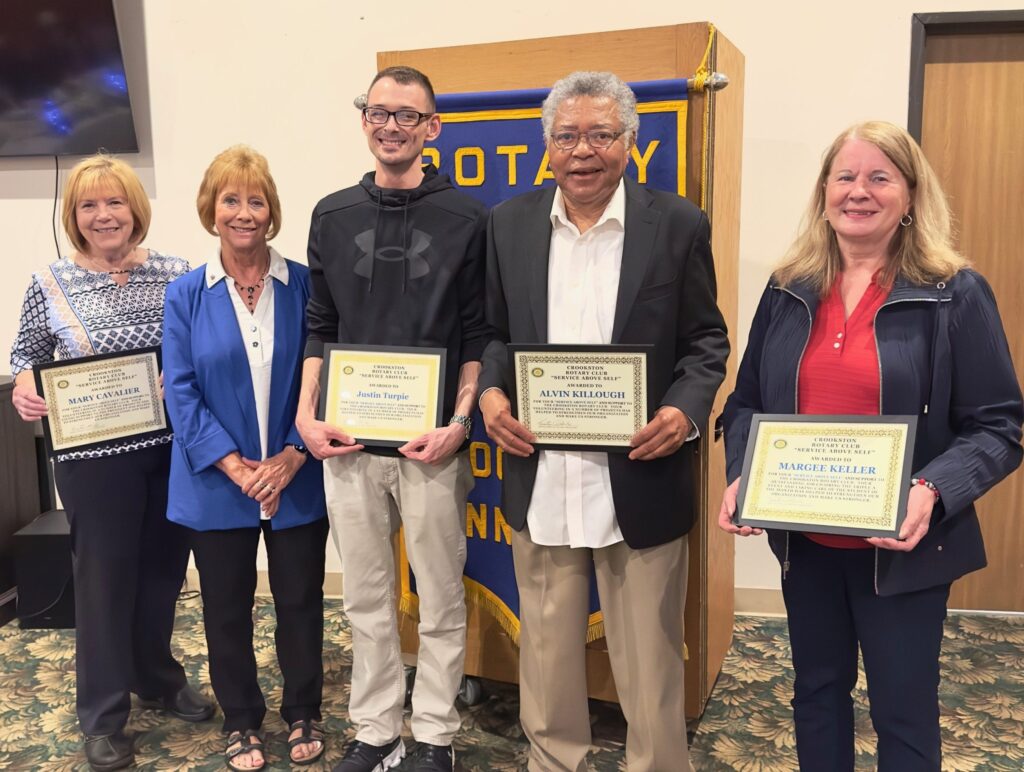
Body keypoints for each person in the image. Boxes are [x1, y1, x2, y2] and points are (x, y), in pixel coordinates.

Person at [718, 121, 1023, 771]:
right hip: (807, 543)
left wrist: (931, 489)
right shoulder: (787, 287)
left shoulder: (954, 292)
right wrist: (745, 471)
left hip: (904, 549)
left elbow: (1000, 424)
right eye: (845, 176)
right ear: (824, 191)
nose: (859, 191)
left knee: (903, 710)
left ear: (911, 196)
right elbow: (746, 403)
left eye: (880, 177)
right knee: (817, 693)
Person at [478, 71, 730, 772]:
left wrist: (682, 412)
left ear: (630, 142)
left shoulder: (676, 224)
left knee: (649, 658)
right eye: (566, 136)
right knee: (548, 647)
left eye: (600, 134)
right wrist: (493, 398)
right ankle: (552, 760)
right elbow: (493, 334)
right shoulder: (510, 224)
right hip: (543, 469)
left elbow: (706, 342)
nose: (582, 151)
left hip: (641, 473)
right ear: (547, 147)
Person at [295, 65, 489, 772]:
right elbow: (321, 322)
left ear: (432, 128)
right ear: (365, 120)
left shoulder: (468, 218)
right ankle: (377, 729)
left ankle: (434, 734)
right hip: (346, 442)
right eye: (379, 113)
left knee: (439, 595)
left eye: (408, 115)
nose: (391, 126)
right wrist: (305, 414)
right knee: (367, 599)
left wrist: (460, 422)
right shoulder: (332, 214)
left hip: (429, 443)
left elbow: (477, 333)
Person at [9, 154, 213, 771]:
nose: (104, 216)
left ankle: (156, 675)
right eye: (88, 206)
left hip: (173, 450)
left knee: (161, 571)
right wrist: (24, 387)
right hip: (94, 460)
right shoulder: (50, 283)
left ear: (135, 209)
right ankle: (101, 712)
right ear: (74, 217)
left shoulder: (180, 274)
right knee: (103, 581)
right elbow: (26, 354)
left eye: (115, 202)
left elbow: (206, 347)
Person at [162, 146, 329, 771]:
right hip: (216, 482)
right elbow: (180, 389)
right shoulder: (186, 294)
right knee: (225, 607)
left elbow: (323, 375)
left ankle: (304, 710)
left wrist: (289, 456)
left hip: (297, 475)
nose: (243, 212)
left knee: (300, 601)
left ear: (271, 210)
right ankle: (241, 719)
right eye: (230, 199)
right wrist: (237, 467)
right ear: (211, 210)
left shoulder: (307, 284)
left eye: (255, 200)